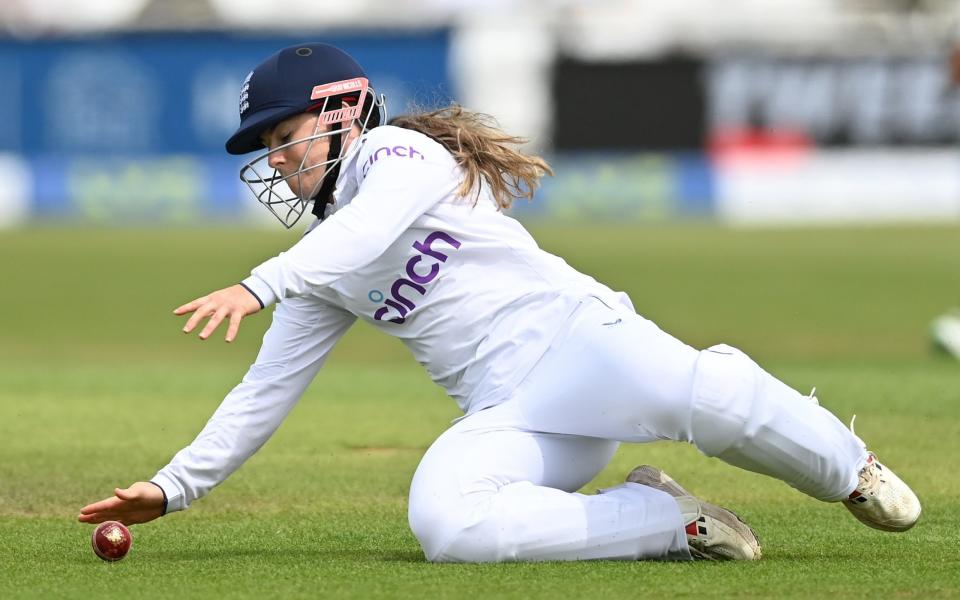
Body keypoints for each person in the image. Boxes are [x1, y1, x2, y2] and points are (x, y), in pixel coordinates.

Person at [78, 42, 921, 562]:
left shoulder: (396, 156)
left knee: (704, 394)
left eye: (286, 136)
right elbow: (265, 392)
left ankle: (850, 469)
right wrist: (172, 487)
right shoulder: (320, 260)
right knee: (448, 525)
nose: (280, 162)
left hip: (583, 342)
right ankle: (669, 522)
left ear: (341, 111)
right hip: (516, 414)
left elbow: (370, 231)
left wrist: (258, 282)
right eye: (268, 147)